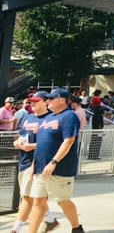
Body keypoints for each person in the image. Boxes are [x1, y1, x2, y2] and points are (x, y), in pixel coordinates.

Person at [26, 89, 84, 233]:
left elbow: (69, 140)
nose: (48, 101)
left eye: (51, 99)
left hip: (59, 169)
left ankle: (77, 228)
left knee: (62, 201)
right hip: (41, 168)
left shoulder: (69, 116)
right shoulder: (48, 117)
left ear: (62, 100)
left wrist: (53, 162)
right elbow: (41, 144)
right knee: (38, 202)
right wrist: (34, 165)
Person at [10, 91, 59, 233]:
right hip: (23, 161)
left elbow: (52, 144)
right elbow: (22, 135)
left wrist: (32, 147)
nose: (32, 103)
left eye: (36, 101)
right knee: (35, 197)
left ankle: (15, 229)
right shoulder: (28, 117)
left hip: (36, 163)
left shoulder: (50, 119)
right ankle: (50, 220)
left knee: (27, 198)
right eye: (31, 101)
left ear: (45, 102)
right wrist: (18, 142)